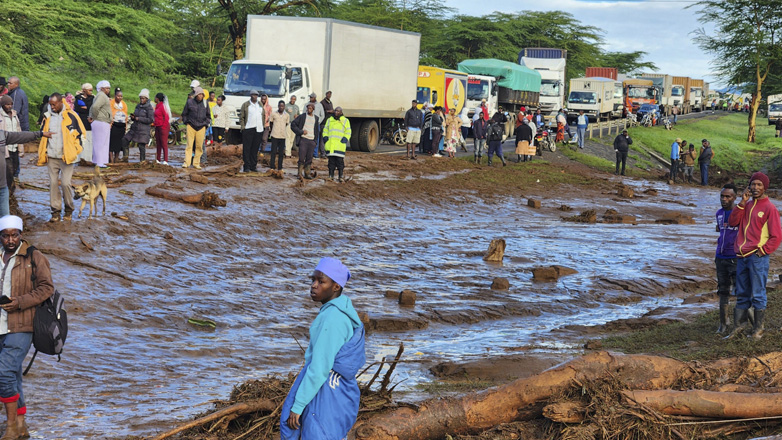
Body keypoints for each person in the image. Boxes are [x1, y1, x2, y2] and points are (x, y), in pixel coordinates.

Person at [280, 257, 365, 440]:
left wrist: (298, 406)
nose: (314, 285)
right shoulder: (343, 312)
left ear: (336, 286)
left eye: (321, 281)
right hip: (340, 392)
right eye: (313, 280)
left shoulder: (332, 319)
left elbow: (319, 369)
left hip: (326, 392)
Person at [0, 215, 54, 440]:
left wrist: (20, 302)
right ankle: (21, 425)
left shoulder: (34, 256)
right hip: (0, 325)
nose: (10, 239)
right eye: (5, 235)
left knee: (3, 373)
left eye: (15, 234)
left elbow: (46, 288)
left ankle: (11, 426)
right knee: (13, 375)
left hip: (23, 325)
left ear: (21, 235)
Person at [727, 172, 782, 339]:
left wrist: (762, 251)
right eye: (753, 184)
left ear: (764, 187)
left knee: (758, 293)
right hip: (742, 256)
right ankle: (739, 327)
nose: (755, 187)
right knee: (742, 292)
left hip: (757, 257)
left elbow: (776, 235)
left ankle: (758, 331)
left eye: (759, 185)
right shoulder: (747, 205)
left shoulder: (769, 208)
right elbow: (733, 222)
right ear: (749, 186)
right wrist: (742, 202)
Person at [38, 93, 83, 222]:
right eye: (50, 105)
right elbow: (43, 134)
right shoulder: (47, 117)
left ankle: (69, 210)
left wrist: (75, 151)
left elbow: (81, 135)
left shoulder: (71, 116)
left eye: (54, 104)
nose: (52, 107)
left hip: (67, 157)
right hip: (52, 156)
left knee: (65, 183)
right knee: (52, 184)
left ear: (61, 102)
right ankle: (55, 212)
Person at [715, 184, 739, 335]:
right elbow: (719, 230)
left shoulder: (740, 214)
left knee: (739, 293)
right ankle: (723, 324)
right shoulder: (718, 213)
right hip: (720, 258)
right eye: (722, 196)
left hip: (735, 258)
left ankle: (739, 324)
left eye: (728, 196)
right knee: (723, 291)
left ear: (734, 198)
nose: (724, 199)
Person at [122, 89, 154, 163]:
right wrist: (133, 117)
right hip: (134, 128)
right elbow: (136, 115)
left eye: (143, 98)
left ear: (147, 99)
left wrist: (138, 118)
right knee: (125, 140)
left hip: (143, 130)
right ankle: (125, 157)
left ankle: (142, 161)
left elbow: (150, 120)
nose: (141, 100)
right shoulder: (138, 106)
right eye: (140, 98)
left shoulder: (149, 108)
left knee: (141, 146)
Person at [181, 87, 209, 170]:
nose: (200, 96)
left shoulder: (205, 103)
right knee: (189, 145)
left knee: (199, 146)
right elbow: (184, 113)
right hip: (191, 125)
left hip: (201, 126)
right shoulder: (190, 102)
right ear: (196, 95)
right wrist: (186, 122)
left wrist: (205, 124)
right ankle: (187, 162)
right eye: (199, 94)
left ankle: (196, 163)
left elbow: (208, 115)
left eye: (202, 94)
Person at [291, 102, 319, 180]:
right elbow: (293, 125)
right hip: (303, 140)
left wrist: (315, 141)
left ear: (313, 109)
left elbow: (316, 130)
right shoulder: (302, 117)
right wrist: (301, 132)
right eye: (308, 108)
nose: (309, 109)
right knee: (301, 158)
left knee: (309, 158)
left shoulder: (316, 118)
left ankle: (307, 173)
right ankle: (299, 173)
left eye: (310, 108)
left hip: (311, 141)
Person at [238, 90, 264, 173]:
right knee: (247, 149)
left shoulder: (260, 104)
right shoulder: (246, 105)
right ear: (250, 95)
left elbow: (263, 116)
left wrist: (262, 126)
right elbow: (241, 117)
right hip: (248, 128)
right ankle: (246, 167)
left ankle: (253, 166)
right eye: (253, 95)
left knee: (255, 149)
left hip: (258, 129)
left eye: (256, 95)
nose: (255, 96)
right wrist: (243, 127)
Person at [323, 107, 351, 182]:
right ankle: (330, 175)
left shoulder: (345, 121)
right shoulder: (329, 120)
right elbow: (325, 129)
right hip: (330, 145)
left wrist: (345, 138)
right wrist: (325, 137)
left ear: (341, 112)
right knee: (331, 162)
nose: (336, 112)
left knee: (340, 162)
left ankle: (340, 176)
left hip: (340, 145)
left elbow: (348, 131)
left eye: (338, 111)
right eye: (335, 111)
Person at [89, 80, 112, 168]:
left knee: (101, 142)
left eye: (109, 88)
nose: (108, 90)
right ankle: (100, 163)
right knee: (101, 143)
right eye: (106, 88)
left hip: (101, 121)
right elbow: (95, 107)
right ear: (102, 88)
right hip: (101, 121)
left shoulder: (100, 95)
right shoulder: (102, 95)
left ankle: (99, 161)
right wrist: (95, 117)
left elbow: (93, 107)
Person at [0, 97, 23, 185]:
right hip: (5, 148)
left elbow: (18, 130)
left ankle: (10, 190)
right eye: (7, 104)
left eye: (11, 104)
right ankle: (8, 192)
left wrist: (21, 147)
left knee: (15, 168)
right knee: (8, 171)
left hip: (15, 147)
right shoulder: (1, 116)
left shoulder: (14, 115)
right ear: (3, 105)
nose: (9, 106)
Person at [74, 83, 94, 162]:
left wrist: (85, 108)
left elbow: (90, 108)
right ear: (85, 90)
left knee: (89, 139)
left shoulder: (92, 98)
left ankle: (89, 158)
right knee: (81, 139)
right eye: (89, 90)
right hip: (81, 121)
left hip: (89, 122)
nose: (91, 92)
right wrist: (85, 109)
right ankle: (81, 158)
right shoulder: (78, 98)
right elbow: (77, 109)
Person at [269, 100, 289, 171]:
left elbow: (286, 124)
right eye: (280, 106)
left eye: (282, 106)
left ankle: (280, 167)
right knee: (273, 152)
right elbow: (271, 123)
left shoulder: (287, 115)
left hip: (282, 136)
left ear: (284, 107)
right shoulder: (273, 114)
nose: (281, 107)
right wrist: (274, 129)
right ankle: (272, 166)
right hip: (275, 135)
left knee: (281, 153)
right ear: (278, 106)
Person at [109, 88, 127, 164]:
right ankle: (111, 159)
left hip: (121, 126)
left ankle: (116, 158)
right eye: (118, 96)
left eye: (121, 96)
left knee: (119, 144)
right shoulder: (111, 103)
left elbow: (125, 114)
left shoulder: (124, 104)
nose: (119, 98)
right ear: (115, 96)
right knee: (111, 143)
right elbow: (110, 113)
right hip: (114, 125)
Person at [153, 93, 171, 165]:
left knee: (164, 143)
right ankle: (158, 159)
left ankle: (165, 160)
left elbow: (166, 117)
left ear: (158, 98)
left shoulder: (163, 106)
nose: (154, 99)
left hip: (163, 127)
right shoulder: (157, 106)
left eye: (155, 97)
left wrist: (163, 127)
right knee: (158, 143)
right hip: (157, 126)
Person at [307, 94, 326, 158]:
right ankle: (308, 154)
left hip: (316, 124)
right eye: (310, 97)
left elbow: (322, 115)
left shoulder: (319, 105)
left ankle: (315, 154)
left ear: (315, 97)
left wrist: (318, 121)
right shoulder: (306, 104)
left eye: (311, 97)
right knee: (308, 138)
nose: (310, 98)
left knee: (316, 139)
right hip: (308, 124)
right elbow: (304, 113)